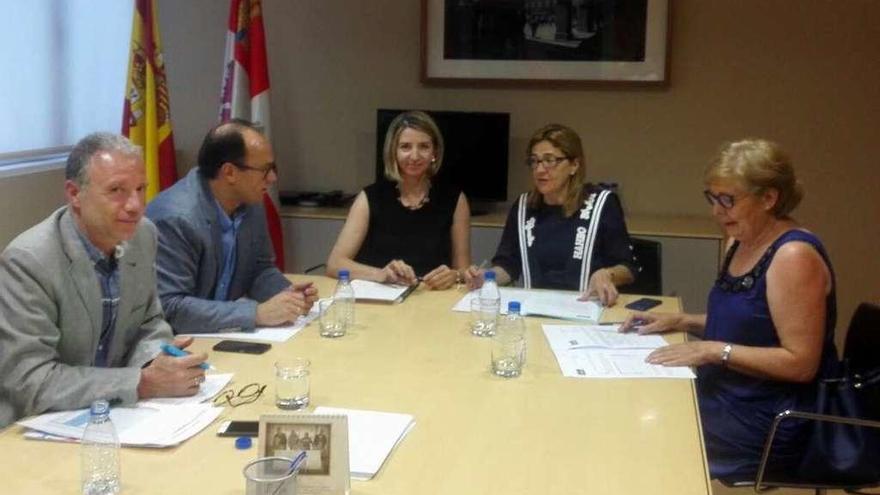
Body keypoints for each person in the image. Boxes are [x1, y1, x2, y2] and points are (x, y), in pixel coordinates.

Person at [621, 139, 839, 480]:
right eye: (712, 198)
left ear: (769, 198)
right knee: (633, 406)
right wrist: (681, 320)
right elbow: (749, 325)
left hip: (769, 418)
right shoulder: (739, 241)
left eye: (728, 200)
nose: (717, 211)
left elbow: (800, 364)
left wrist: (713, 351)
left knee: (647, 435)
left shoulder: (793, 256)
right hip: (726, 393)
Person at [0, 133, 207, 428]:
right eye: (117, 190)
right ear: (74, 194)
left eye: (140, 189)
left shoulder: (143, 235)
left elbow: (149, 324)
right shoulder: (29, 261)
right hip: (37, 426)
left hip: (116, 416)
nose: (135, 205)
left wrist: (157, 361)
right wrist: (142, 382)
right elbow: (29, 382)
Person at [146, 120, 318, 334]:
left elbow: (258, 269)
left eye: (273, 168)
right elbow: (170, 308)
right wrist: (255, 314)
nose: (273, 178)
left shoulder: (251, 202)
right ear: (229, 173)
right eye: (265, 170)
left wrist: (288, 296)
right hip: (175, 345)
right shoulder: (176, 218)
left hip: (219, 334)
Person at [465, 123, 636, 305]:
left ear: (574, 165)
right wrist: (487, 278)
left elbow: (628, 269)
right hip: (536, 308)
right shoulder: (524, 206)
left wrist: (607, 274)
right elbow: (509, 265)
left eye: (550, 160)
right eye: (535, 161)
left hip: (587, 308)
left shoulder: (602, 204)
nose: (540, 169)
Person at [326, 110, 471, 289]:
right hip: (380, 296)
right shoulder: (370, 198)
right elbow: (335, 264)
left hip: (432, 298)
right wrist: (380, 274)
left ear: (435, 152)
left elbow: (463, 269)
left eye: (424, 146)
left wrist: (455, 275)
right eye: (405, 147)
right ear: (393, 152)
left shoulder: (455, 200)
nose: (415, 156)